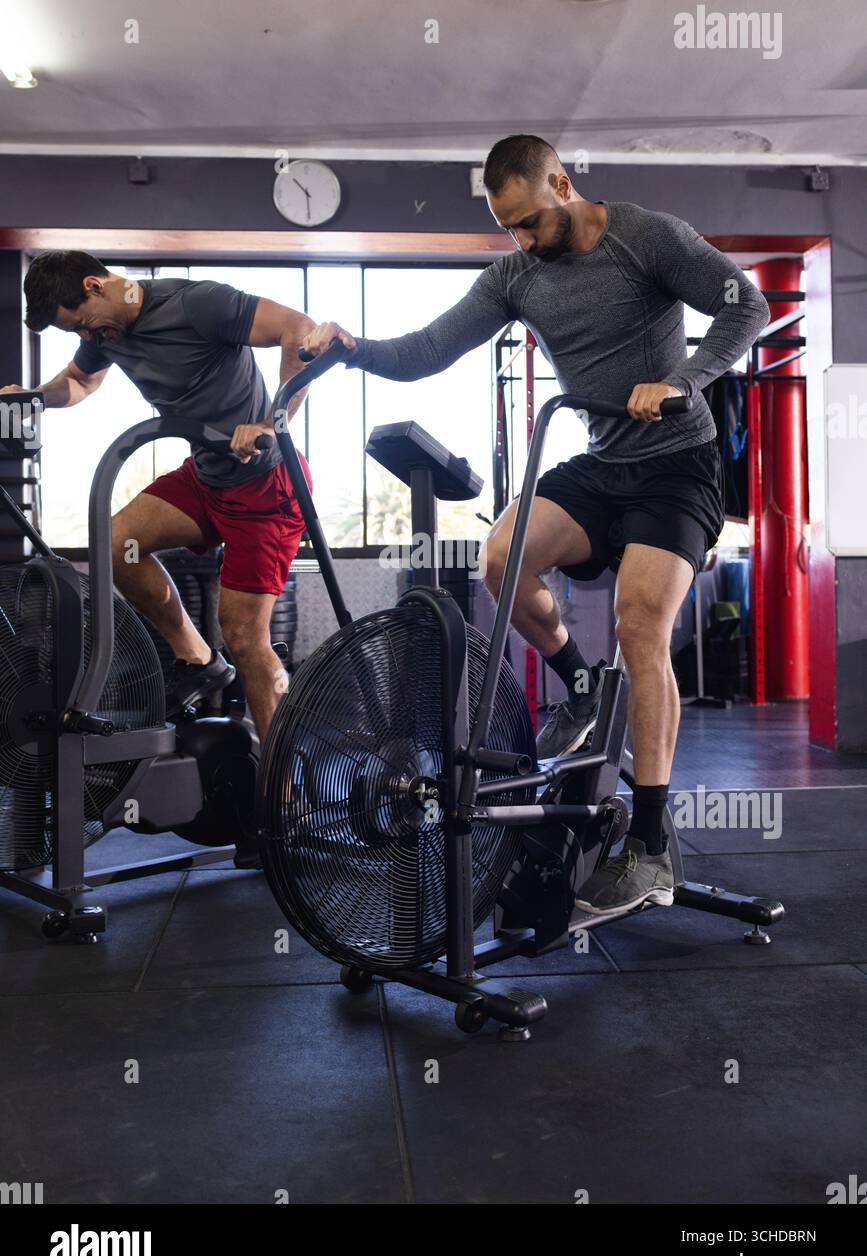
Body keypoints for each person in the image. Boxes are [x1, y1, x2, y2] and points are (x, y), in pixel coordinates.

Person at [299, 133, 770, 923]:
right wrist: (354, 349)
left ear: (560, 182)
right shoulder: (515, 276)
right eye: (507, 227)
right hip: (598, 462)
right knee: (499, 559)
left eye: (527, 221)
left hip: (674, 466)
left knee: (640, 625)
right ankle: (580, 685)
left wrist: (683, 381)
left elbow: (744, 304)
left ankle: (649, 845)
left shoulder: (646, 237)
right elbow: (428, 350)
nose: (519, 240)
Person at [8, 252, 314, 744]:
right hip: (208, 475)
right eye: (75, 334)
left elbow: (299, 328)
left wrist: (273, 422)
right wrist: (34, 397)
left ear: (95, 285)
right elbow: (80, 381)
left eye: (82, 324)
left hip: (265, 486)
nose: (85, 339)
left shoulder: (196, 303)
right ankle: (199, 660)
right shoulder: (107, 331)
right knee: (115, 544)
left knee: (244, 636)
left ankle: (281, 785)